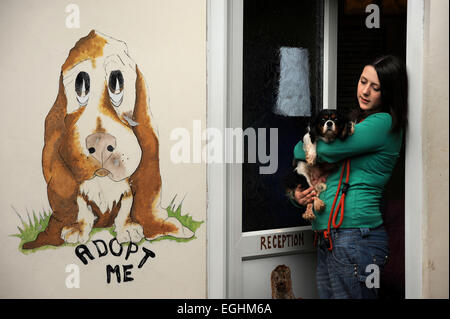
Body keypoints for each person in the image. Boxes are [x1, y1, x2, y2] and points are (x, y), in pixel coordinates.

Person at [292, 55, 408, 299]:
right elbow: (308, 158)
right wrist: (300, 196)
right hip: (332, 236)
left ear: (388, 93)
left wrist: (311, 148)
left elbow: (320, 150)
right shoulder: (357, 122)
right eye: (363, 81)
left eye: (375, 87)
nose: (365, 91)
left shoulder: (382, 123)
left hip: (355, 236)